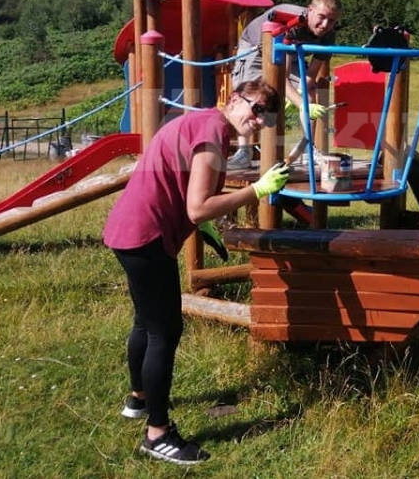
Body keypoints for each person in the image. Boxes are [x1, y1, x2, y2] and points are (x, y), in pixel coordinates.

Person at [102, 77, 290, 465]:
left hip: (128, 229)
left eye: (265, 119)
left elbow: (183, 190)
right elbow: (198, 207)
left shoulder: (202, 122)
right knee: (165, 331)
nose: (257, 121)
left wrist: (203, 229)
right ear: (234, 99)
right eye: (255, 110)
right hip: (145, 236)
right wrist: (258, 189)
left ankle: (138, 399)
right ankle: (157, 434)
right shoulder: (212, 133)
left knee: (145, 323)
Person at [227, 0, 343, 170]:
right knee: (250, 96)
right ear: (310, 10)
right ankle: (244, 151)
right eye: (321, 17)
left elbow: (310, 74)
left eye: (332, 20)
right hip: (254, 48)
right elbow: (282, 78)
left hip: (290, 55)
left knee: (309, 92)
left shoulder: (329, 34)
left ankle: (307, 150)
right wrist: (301, 104)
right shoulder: (293, 22)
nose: (325, 24)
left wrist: (301, 95)